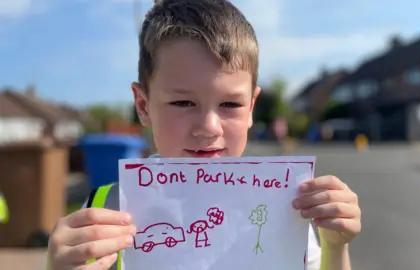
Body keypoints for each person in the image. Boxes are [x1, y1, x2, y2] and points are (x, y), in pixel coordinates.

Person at [46, 0, 362, 269]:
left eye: (230, 104)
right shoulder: (105, 211)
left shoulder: (282, 205)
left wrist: (335, 247)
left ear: (251, 107)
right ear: (143, 105)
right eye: (183, 102)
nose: (209, 127)